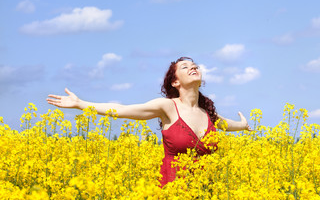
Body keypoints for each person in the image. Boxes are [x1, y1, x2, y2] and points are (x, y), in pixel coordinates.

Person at [47, 57, 252, 187]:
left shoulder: (208, 114)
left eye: (195, 65)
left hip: (207, 197)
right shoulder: (167, 107)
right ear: (175, 82)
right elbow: (123, 110)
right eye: (185, 66)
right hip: (172, 197)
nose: (193, 67)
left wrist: (243, 125)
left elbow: (230, 126)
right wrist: (81, 104)